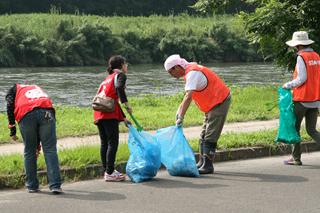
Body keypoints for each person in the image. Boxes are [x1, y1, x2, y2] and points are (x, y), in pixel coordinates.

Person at [164, 54, 231, 174]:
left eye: (171, 72)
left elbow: (188, 97)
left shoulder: (192, 73)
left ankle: (208, 165)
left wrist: (182, 116)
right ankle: (201, 162)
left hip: (219, 100)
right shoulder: (189, 70)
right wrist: (178, 113)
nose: (172, 76)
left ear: (177, 67)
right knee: (203, 135)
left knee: (210, 135)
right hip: (211, 104)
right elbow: (186, 96)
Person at [5, 84, 62, 194]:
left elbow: (9, 106)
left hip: (26, 114)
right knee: (50, 150)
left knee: (29, 151)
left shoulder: (13, 90)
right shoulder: (35, 87)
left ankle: (32, 186)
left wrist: (12, 130)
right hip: (47, 112)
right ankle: (55, 185)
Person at [282, 31, 320, 165]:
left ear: (297, 45)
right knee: (312, 130)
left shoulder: (301, 57)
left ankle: (296, 158)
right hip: (315, 100)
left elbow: (302, 78)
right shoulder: (316, 56)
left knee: (294, 129)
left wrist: (288, 85)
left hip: (302, 100)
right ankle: (295, 157)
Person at [93, 55, 132, 181]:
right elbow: (119, 89)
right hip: (109, 114)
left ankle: (107, 170)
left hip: (99, 113)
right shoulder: (120, 75)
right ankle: (109, 172)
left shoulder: (107, 79)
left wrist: (123, 118)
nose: (127, 66)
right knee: (112, 143)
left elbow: (111, 101)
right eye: (125, 64)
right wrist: (127, 104)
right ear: (121, 65)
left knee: (105, 143)